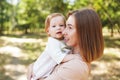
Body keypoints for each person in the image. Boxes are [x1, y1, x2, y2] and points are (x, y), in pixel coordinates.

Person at [27, 8, 104, 80]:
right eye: (66, 26)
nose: (63, 32)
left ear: (84, 33)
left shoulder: (76, 67)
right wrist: (32, 66)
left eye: (70, 27)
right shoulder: (68, 51)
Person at [28, 13, 73, 80]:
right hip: (37, 73)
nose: (58, 28)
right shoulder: (52, 42)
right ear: (48, 31)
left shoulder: (63, 40)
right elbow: (60, 57)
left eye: (61, 25)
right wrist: (75, 57)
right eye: (54, 26)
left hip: (46, 73)